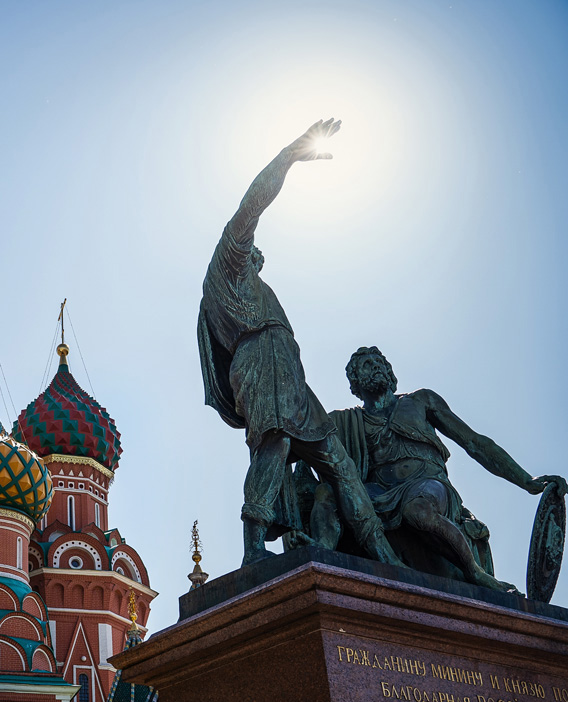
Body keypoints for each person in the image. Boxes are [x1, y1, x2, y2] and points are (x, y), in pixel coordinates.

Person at [198, 119, 402, 566]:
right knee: (274, 445)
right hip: (262, 365)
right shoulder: (228, 264)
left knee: (338, 460)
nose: (257, 256)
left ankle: (384, 554)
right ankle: (254, 547)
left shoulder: (254, 285)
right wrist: (290, 155)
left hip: (287, 373)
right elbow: (252, 205)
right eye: (253, 252)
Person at [309, 346, 565, 592]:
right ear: (355, 382)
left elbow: (474, 443)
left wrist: (526, 480)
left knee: (417, 510)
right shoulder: (342, 421)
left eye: (380, 363)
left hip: (427, 483)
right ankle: (318, 555)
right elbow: (306, 447)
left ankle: (475, 572)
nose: (376, 367)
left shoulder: (421, 400)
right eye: (367, 365)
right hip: (379, 490)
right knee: (327, 492)